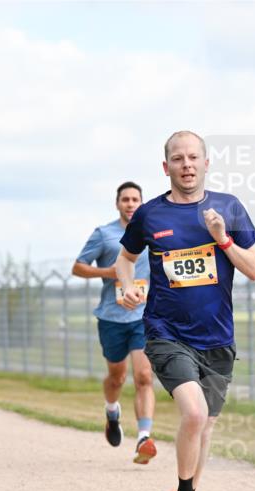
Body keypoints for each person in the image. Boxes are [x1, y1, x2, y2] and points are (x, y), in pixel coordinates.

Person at [115, 131, 255, 491]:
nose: (186, 165)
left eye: (193, 157)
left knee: (206, 427)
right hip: (165, 332)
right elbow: (124, 260)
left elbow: (253, 269)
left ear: (206, 162)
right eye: (177, 159)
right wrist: (124, 286)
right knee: (194, 415)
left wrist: (223, 239)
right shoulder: (150, 214)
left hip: (217, 337)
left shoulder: (229, 208)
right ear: (167, 167)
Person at [73, 182, 158, 464]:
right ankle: (112, 411)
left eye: (135, 199)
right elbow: (78, 266)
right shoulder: (104, 234)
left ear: (142, 203)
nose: (130, 204)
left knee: (144, 376)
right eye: (125, 199)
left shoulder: (152, 232)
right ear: (117, 203)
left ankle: (144, 437)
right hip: (112, 316)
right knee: (117, 377)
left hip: (144, 315)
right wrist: (110, 271)